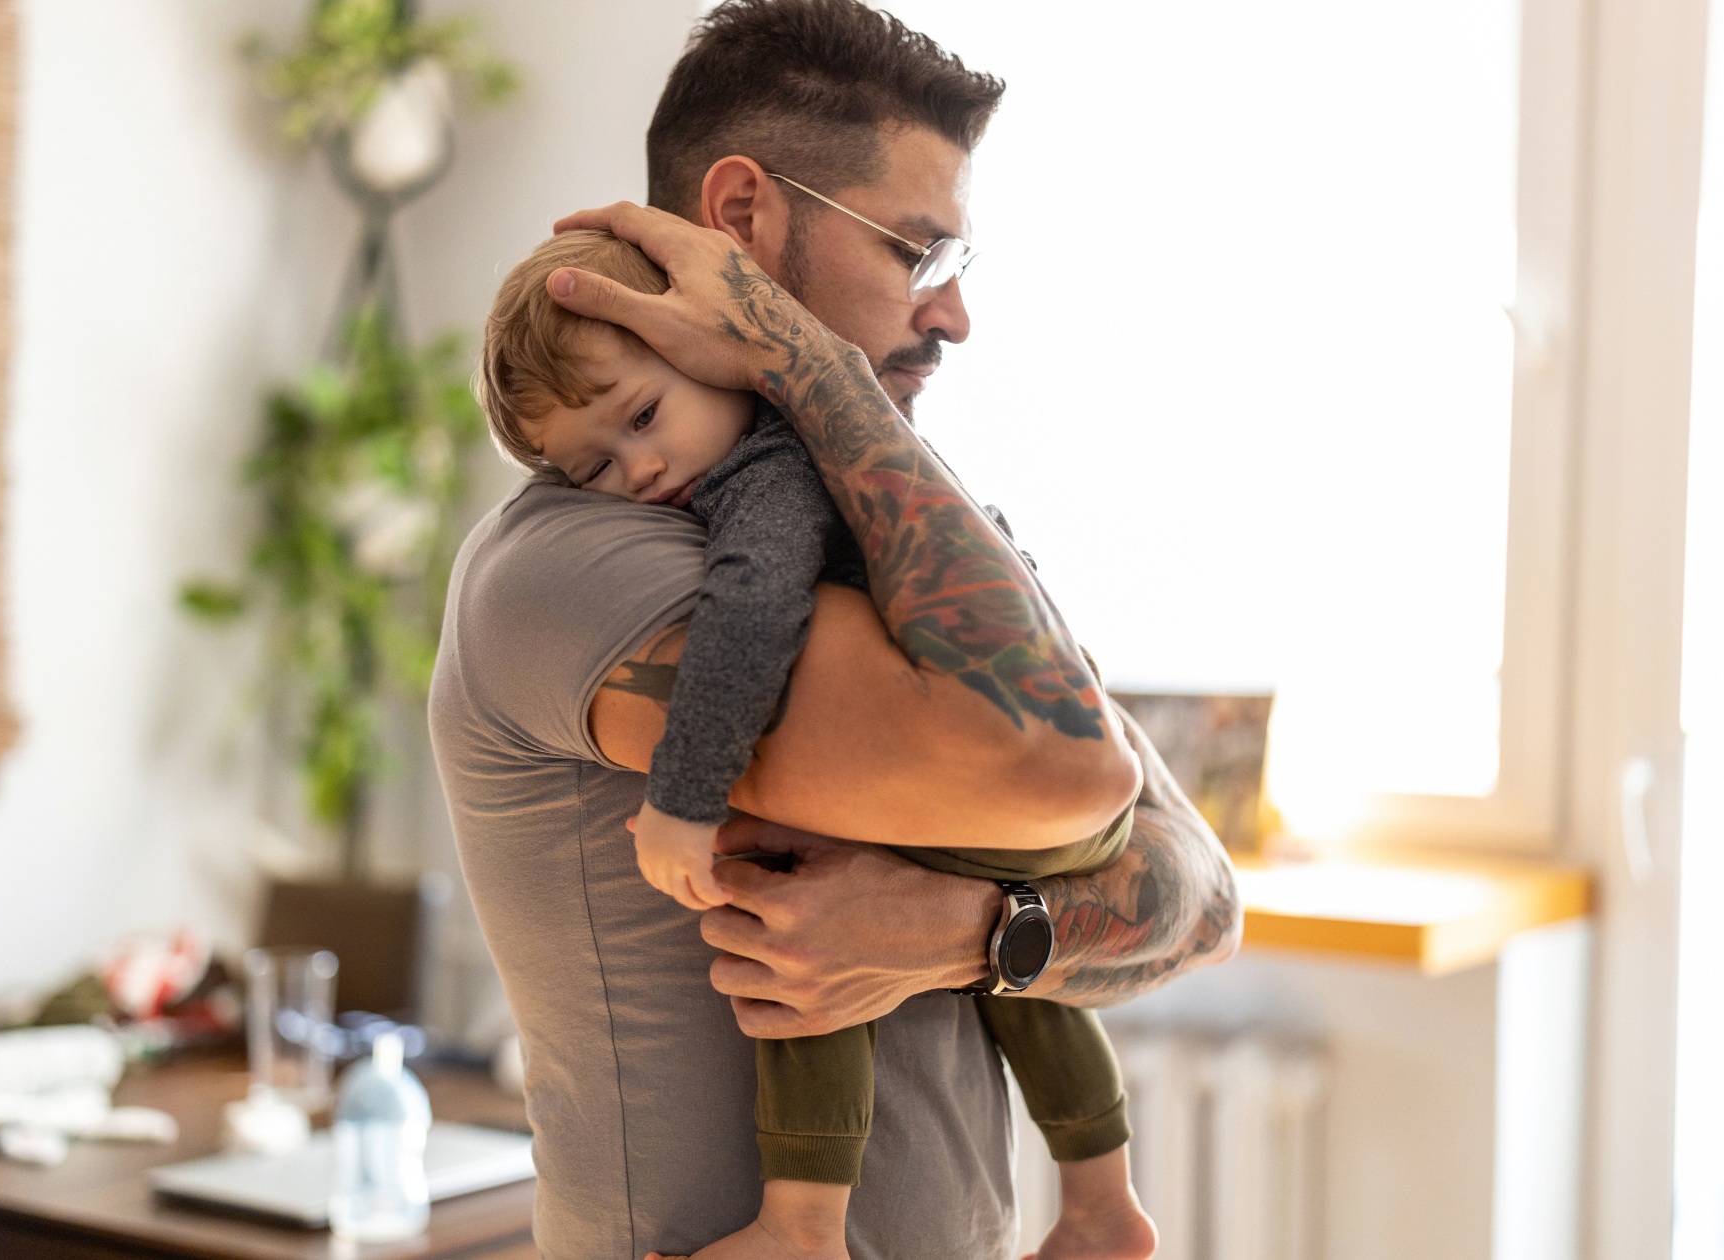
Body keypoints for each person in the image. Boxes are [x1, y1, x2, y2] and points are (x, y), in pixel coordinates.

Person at [428, 3, 1241, 1257]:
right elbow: (1065, 775)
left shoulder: (901, 515)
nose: (954, 315)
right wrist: (812, 365)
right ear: (743, 219)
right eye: (915, 252)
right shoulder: (578, 561)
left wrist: (971, 933)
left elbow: (1194, 889)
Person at [476, 227, 1155, 1260]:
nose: (641, 466)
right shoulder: (861, 470)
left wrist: (686, 797)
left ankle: (799, 1227)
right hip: (1050, 813)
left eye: (644, 417)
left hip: (1026, 783)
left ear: (707, 350)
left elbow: (751, 609)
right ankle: (1104, 1204)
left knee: (792, 922)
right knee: (1011, 982)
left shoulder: (766, 474)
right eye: (593, 466)